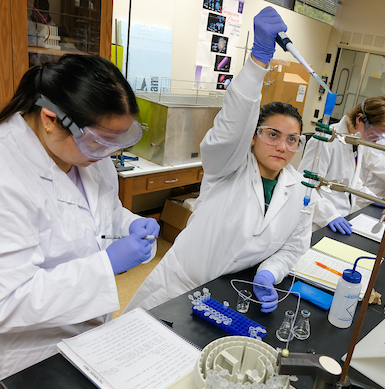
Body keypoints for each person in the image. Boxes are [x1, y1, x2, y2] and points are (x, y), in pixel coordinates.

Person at [0, 54, 160, 389]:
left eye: (116, 142)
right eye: (100, 142)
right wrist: (106, 265)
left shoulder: (86, 154)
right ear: (50, 119)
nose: (106, 153)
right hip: (23, 360)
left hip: (84, 340)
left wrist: (133, 223)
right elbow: (2, 304)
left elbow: (104, 211)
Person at [124, 7, 311, 314]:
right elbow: (231, 127)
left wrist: (270, 272)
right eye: (272, 134)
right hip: (178, 288)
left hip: (228, 297)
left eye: (292, 139)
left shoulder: (300, 188)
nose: (282, 145)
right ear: (253, 136)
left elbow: (293, 245)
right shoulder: (229, 166)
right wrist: (257, 62)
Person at [298, 97, 385, 234]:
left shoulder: (356, 142)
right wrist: (330, 215)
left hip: (342, 222)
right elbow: (304, 186)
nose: (373, 141)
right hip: (316, 225)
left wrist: (371, 198)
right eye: (372, 134)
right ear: (360, 119)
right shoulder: (325, 140)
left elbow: (351, 182)